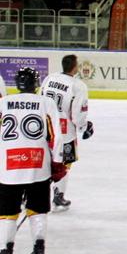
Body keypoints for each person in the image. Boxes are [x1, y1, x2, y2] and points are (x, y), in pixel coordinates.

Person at [0, 68, 65, 254]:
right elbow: (56, 137)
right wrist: (57, 163)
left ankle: (5, 253)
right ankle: (39, 251)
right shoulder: (46, 103)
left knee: (7, 214)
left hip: (8, 169)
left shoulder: (3, 103)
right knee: (38, 211)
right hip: (38, 166)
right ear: (36, 83)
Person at [41, 54, 93, 211]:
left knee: (43, 161)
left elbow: (40, 98)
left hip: (45, 126)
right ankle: (58, 196)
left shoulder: (49, 78)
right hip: (65, 132)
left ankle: (26, 194)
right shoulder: (78, 86)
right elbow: (78, 115)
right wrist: (84, 127)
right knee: (64, 163)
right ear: (75, 67)